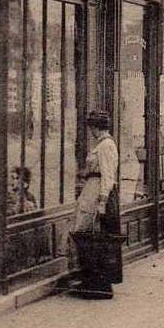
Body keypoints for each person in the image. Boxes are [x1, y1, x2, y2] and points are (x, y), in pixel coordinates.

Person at [70, 111, 123, 299]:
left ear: (95, 127)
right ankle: (91, 282)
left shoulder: (106, 145)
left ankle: (98, 285)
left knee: (93, 237)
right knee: (88, 236)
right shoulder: (101, 144)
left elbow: (108, 175)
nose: (90, 131)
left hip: (98, 193)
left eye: (91, 127)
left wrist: (102, 202)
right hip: (92, 189)